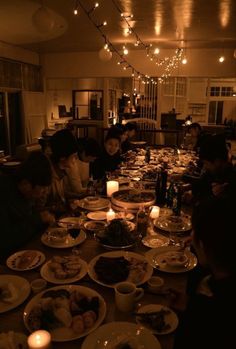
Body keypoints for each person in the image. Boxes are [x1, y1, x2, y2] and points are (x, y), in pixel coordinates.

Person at [173, 197, 236, 349]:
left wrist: (193, 309)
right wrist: (191, 303)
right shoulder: (219, 280)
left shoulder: (210, 319)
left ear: (201, 243)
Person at [0, 151, 55, 258]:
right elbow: (5, 242)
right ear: (26, 183)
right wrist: (38, 219)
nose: (46, 192)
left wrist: (42, 215)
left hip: (27, 252)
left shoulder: (27, 194)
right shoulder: (4, 195)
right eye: (43, 188)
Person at [43, 129, 79, 215]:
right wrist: (67, 207)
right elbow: (41, 209)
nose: (75, 160)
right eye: (73, 157)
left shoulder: (60, 170)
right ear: (62, 157)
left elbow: (62, 194)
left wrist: (81, 196)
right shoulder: (48, 176)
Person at [192, 134, 236, 203]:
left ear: (217, 161)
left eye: (206, 163)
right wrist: (190, 191)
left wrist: (216, 198)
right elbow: (202, 184)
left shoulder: (231, 180)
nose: (205, 167)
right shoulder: (215, 172)